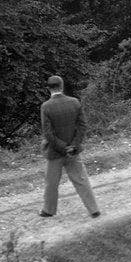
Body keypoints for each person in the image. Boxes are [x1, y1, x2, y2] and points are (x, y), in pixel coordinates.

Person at [39, 75, 100, 218]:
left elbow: (48, 133)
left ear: (49, 88)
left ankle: (48, 210)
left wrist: (62, 147)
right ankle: (94, 209)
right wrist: (73, 145)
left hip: (55, 152)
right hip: (73, 151)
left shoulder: (46, 107)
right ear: (62, 85)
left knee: (51, 183)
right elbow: (82, 126)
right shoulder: (74, 102)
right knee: (81, 180)